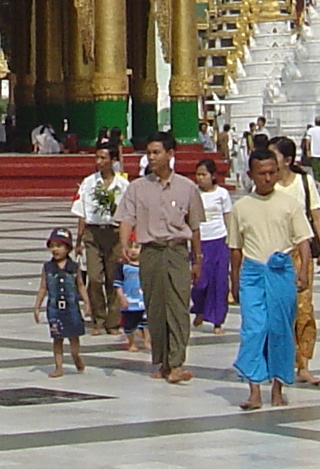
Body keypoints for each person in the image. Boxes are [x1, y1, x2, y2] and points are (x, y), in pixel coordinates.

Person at [228, 146, 314, 412]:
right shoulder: (241, 207)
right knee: (254, 329)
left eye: (272, 172)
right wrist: (234, 282)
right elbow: (235, 249)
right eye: (262, 173)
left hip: (280, 270)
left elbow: (303, 242)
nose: (267, 178)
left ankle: (278, 387)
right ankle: (254, 389)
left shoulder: (290, 204)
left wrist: (303, 272)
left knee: (280, 329)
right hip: (253, 272)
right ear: (251, 175)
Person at [124, 134, 204, 383]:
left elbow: (195, 227)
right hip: (151, 252)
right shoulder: (137, 187)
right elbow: (126, 218)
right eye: (148, 152)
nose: (151, 157)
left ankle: (177, 362)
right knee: (155, 307)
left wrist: (197, 259)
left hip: (176, 251)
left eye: (156, 152)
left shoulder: (187, 188)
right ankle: (161, 361)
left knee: (178, 307)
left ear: (170, 154)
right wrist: (124, 243)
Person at [271, 135, 320, 384]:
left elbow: (316, 217)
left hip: (301, 253)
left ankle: (303, 364)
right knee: (278, 310)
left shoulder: (304, 182)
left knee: (303, 308)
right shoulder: (266, 183)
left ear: (287, 160)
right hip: (273, 254)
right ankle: (280, 362)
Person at [71, 138, 128, 348]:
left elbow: (128, 215)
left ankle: (113, 321)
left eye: (103, 158)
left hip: (114, 233)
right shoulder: (88, 183)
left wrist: (127, 240)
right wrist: (79, 240)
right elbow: (81, 212)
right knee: (94, 277)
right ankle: (98, 317)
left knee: (113, 277)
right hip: (93, 234)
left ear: (113, 160)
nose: (99, 161)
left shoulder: (123, 185)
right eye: (97, 157)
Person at [33, 227, 86, 376]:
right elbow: (43, 287)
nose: (55, 249)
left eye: (59, 246)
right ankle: (59, 367)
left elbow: (81, 285)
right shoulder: (48, 268)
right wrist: (37, 306)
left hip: (72, 309)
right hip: (54, 309)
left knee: (74, 337)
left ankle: (76, 356)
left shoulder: (74, 267)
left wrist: (87, 304)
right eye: (52, 246)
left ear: (68, 248)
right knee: (57, 338)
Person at [191, 154, 234, 332]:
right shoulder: (193, 193)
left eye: (204, 175)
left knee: (219, 281)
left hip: (219, 240)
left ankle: (218, 320)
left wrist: (232, 240)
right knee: (200, 282)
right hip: (200, 242)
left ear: (213, 176)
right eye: (198, 175)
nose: (200, 178)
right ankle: (199, 309)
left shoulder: (222, 194)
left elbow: (228, 217)